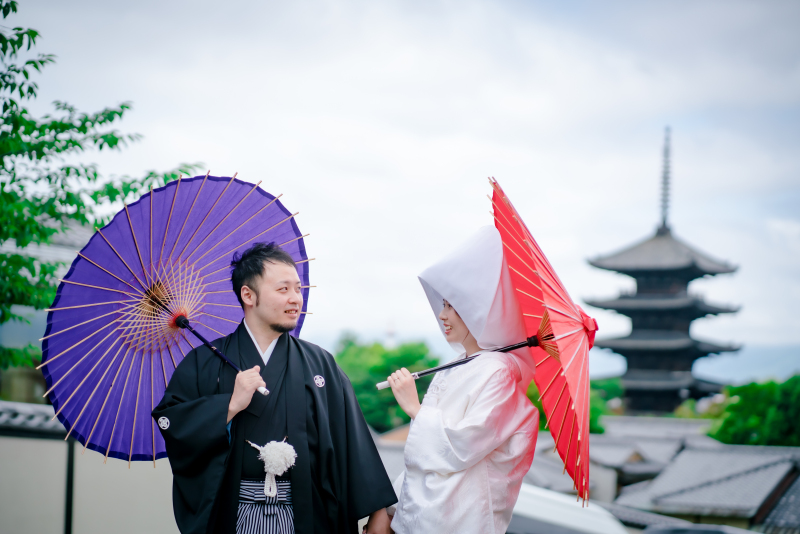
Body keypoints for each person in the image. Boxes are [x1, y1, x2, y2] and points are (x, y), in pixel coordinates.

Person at [153, 242, 396, 534]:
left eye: (298, 289)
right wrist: (229, 406)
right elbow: (173, 423)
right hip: (234, 514)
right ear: (248, 295)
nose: (295, 299)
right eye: (283, 290)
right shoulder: (203, 363)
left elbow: (352, 440)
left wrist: (378, 512)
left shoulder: (320, 363)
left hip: (307, 516)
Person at [386, 226, 539, 534]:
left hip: (460, 517)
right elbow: (422, 453)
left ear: (478, 310)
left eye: (452, 306)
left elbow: (467, 442)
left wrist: (415, 409)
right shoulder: (461, 365)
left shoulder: (498, 370)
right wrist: (391, 509)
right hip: (426, 511)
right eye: (443, 304)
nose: (443, 315)